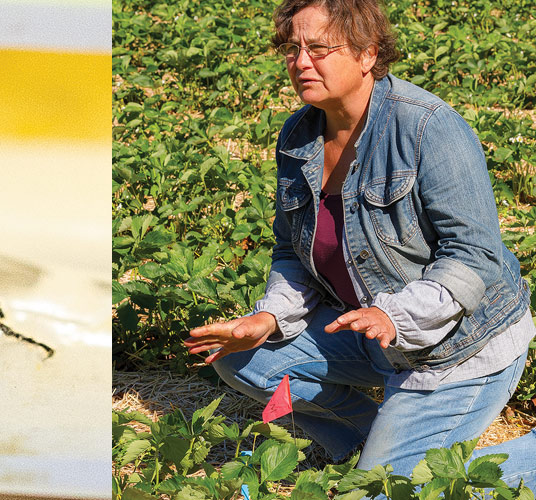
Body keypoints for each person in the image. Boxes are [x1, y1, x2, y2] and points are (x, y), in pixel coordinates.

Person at [183, 0, 536, 483]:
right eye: (292, 48)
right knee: (243, 358)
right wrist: (268, 317)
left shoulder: (427, 127)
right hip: (371, 335)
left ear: (368, 54)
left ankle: (405, 471)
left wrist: (395, 315)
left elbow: (476, 256)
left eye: (320, 48)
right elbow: (291, 250)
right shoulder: (299, 135)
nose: (301, 62)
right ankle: (368, 450)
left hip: (455, 350)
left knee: (400, 494)